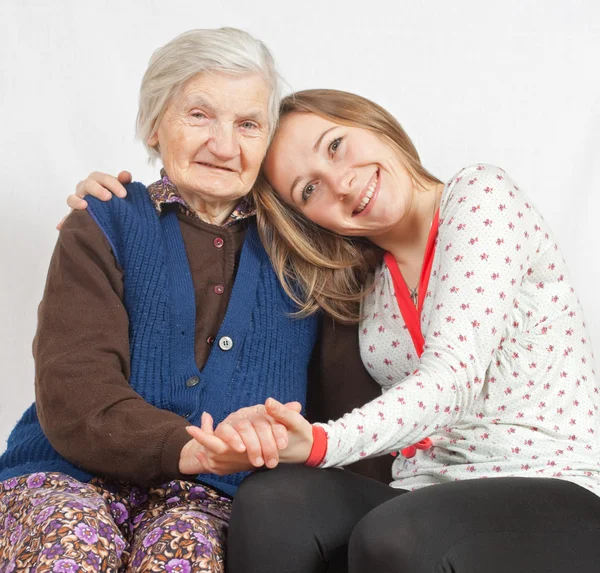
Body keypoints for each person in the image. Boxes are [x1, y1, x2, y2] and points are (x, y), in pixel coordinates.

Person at [73, 89, 600, 572]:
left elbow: (453, 378)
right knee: (273, 501)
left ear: (369, 121)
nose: (341, 182)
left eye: (336, 146)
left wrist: (322, 442)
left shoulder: (480, 197)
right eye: (309, 189)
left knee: (397, 536)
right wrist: (118, 213)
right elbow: (229, 233)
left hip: (551, 486)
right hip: (424, 492)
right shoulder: (362, 280)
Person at [0, 31, 390, 573]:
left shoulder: (312, 246)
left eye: (248, 125)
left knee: (186, 553)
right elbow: (74, 390)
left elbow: (352, 413)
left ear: (269, 144)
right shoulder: (105, 219)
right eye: (200, 115)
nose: (225, 146)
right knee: (70, 544)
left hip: (213, 498)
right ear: (155, 125)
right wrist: (188, 448)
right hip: (66, 473)